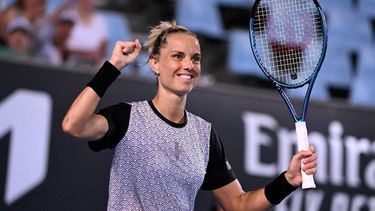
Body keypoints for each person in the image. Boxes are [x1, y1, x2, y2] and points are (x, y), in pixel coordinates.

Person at [62, 21, 317, 210]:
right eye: (177, 56)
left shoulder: (204, 135)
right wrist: (113, 66)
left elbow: (239, 205)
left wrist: (288, 180)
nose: (188, 65)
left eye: (195, 58)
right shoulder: (127, 117)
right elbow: (74, 125)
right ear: (154, 63)